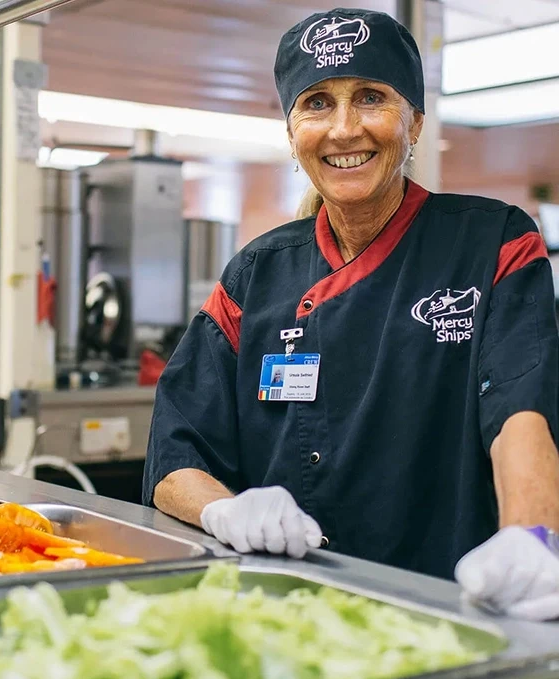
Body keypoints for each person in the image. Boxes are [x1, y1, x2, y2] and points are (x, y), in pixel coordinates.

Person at [143, 7, 559, 621]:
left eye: (371, 97)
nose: (344, 129)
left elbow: (521, 412)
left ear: (415, 122)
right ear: (291, 133)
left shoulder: (492, 242)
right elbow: (174, 453)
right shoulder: (255, 275)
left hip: (450, 606)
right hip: (283, 607)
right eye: (317, 103)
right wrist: (221, 509)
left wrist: (533, 537)